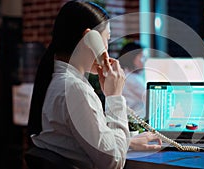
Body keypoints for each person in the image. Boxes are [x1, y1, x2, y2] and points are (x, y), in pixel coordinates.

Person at [27, 1, 161, 169]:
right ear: (90, 39)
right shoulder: (74, 89)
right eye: (107, 40)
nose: (107, 48)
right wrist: (115, 97)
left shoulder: (56, 80)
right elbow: (113, 162)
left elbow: (81, 145)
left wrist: (128, 142)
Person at [118, 41, 147, 118]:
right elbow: (150, 98)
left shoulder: (127, 74)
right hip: (133, 121)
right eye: (142, 57)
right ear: (132, 58)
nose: (145, 60)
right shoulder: (131, 79)